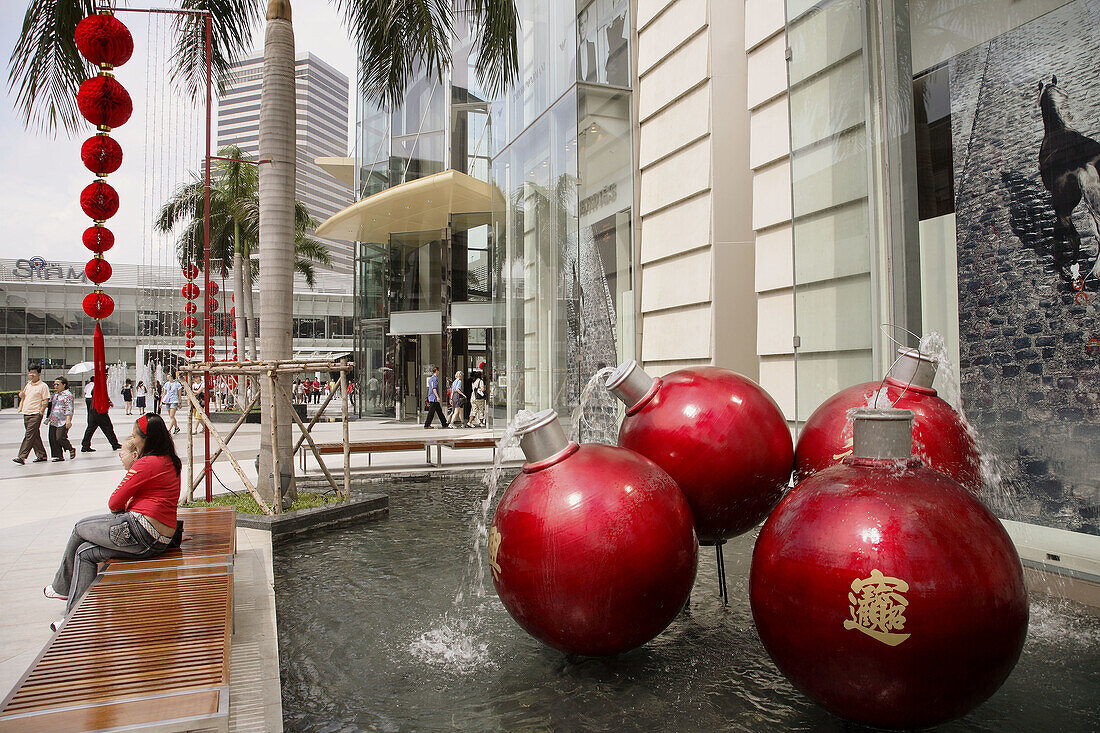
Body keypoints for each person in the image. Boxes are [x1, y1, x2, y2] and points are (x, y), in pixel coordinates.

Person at [43, 414, 181, 631]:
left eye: (136, 436)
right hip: (160, 538)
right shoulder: (170, 460)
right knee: (84, 553)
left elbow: (115, 502)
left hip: (141, 531)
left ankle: (62, 587)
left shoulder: (146, 463)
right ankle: (74, 617)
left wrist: (117, 517)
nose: (133, 440)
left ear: (148, 439)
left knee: (80, 527)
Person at [14, 365, 49, 464]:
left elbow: (45, 400)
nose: (31, 375)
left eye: (34, 373)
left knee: (29, 435)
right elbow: (24, 396)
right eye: (30, 373)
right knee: (34, 435)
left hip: (35, 413)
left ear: (39, 374)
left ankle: (22, 456)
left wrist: (41, 411)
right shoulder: (28, 384)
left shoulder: (43, 386)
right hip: (26, 412)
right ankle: (41, 455)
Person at [81, 375, 121, 453]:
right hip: (98, 409)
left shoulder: (98, 385)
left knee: (91, 428)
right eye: (106, 376)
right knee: (107, 427)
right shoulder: (99, 385)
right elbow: (100, 396)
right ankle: (114, 444)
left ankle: (85, 445)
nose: (107, 377)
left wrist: (108, 401)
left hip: (94, 408)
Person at [48, 376, 76, 462]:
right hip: (53, 419)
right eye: (54, 384)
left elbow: (69, 408)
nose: (55, 386)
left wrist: (68, 420)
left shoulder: (67, 395)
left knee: (60, 437)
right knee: (52, 438)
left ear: (64, 385)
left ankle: (70, 448)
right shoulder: (55, 395)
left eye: (58, 384)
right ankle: (58, 455)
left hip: (62, 419)